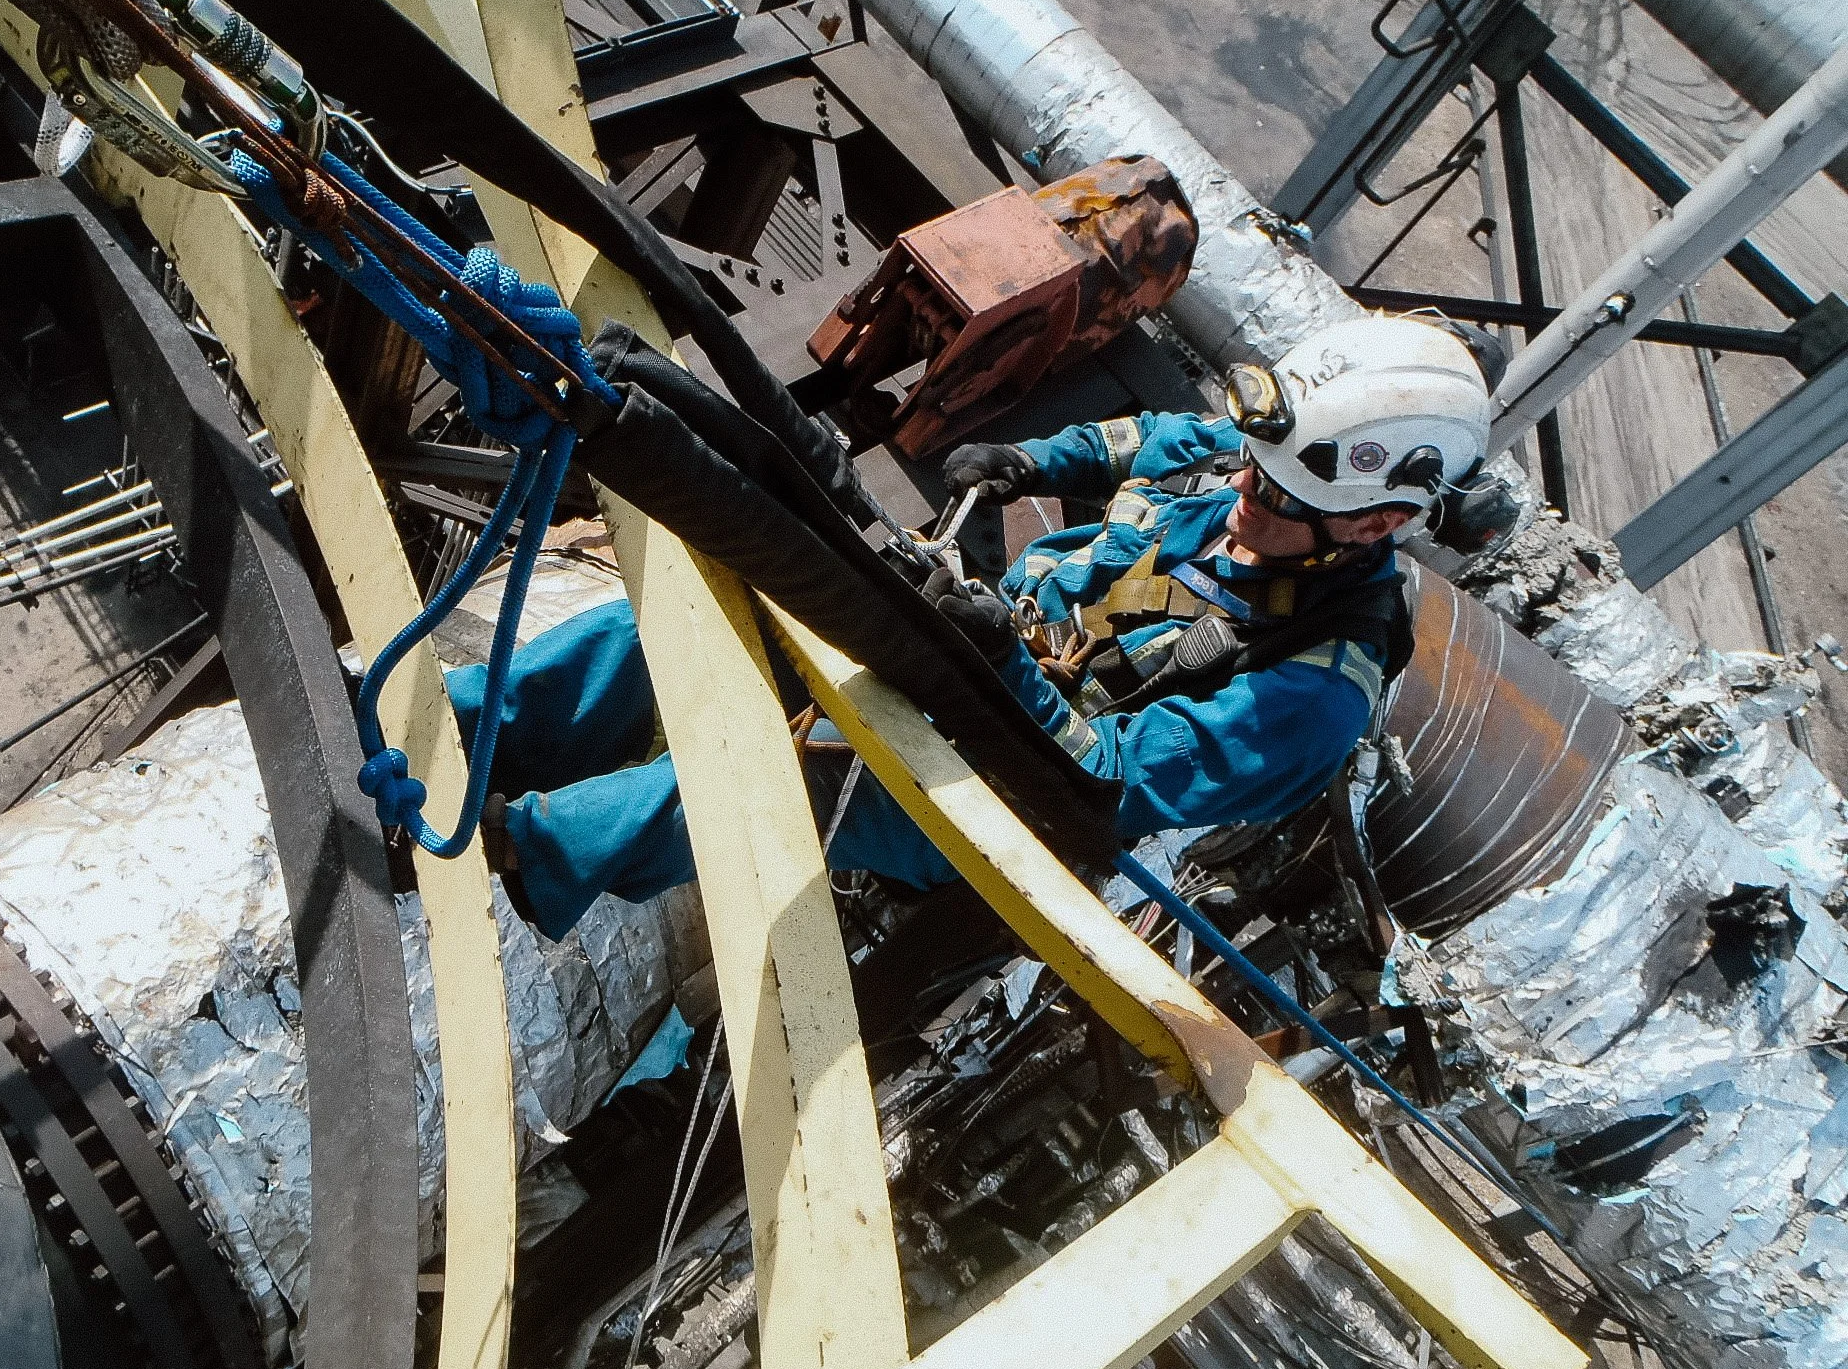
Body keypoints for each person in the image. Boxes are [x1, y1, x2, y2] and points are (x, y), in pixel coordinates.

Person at [451, 316, 1494, 941]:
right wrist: (1034, 460)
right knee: (727, 613)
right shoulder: (1276, 459)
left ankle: (509, 859)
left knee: (793, 787)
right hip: (981, 637)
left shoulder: (1310, 692)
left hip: (1012, 789)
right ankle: (461, 728)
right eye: (1251, 472)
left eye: (1276, 500)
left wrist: (998, 662)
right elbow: (1162, 436)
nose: (1241, 499)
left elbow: (1103, 788)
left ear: (1379, 522)